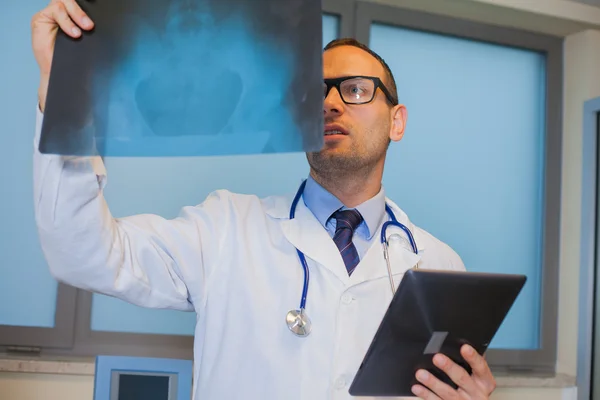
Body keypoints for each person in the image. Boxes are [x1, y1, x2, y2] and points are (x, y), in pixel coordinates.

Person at [30, 1, 497, 399]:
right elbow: (81, 253)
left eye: (355, 90)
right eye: (316, 91)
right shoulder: (225, 228)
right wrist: (63, 94)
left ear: (397, 121)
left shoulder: (438, 265)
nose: (331, 103)